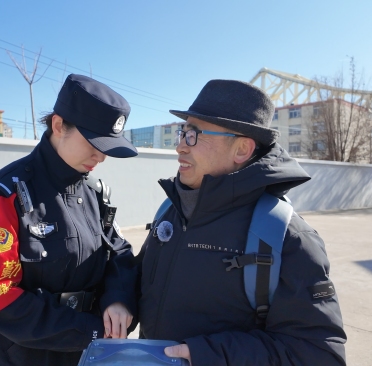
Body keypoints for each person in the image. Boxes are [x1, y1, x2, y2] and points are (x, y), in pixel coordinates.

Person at [135, 80, 347, 365]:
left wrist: (207, 356)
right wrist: (118, 298)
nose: (180, 147)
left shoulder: (287, 236)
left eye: (194, 135)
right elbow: (140, 279)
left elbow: (320, 354)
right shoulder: (170, 211)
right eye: (182, 132)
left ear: (242, 150)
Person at [0, 74, 138, 366]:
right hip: (13, 355)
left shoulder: (95, 193)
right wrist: (91, 331)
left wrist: (118, 299)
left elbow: (118, 251)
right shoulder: (8, 192)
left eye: (106, 147)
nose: (101, 157)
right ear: (58, 125)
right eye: (93, 142)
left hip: (80, 353)